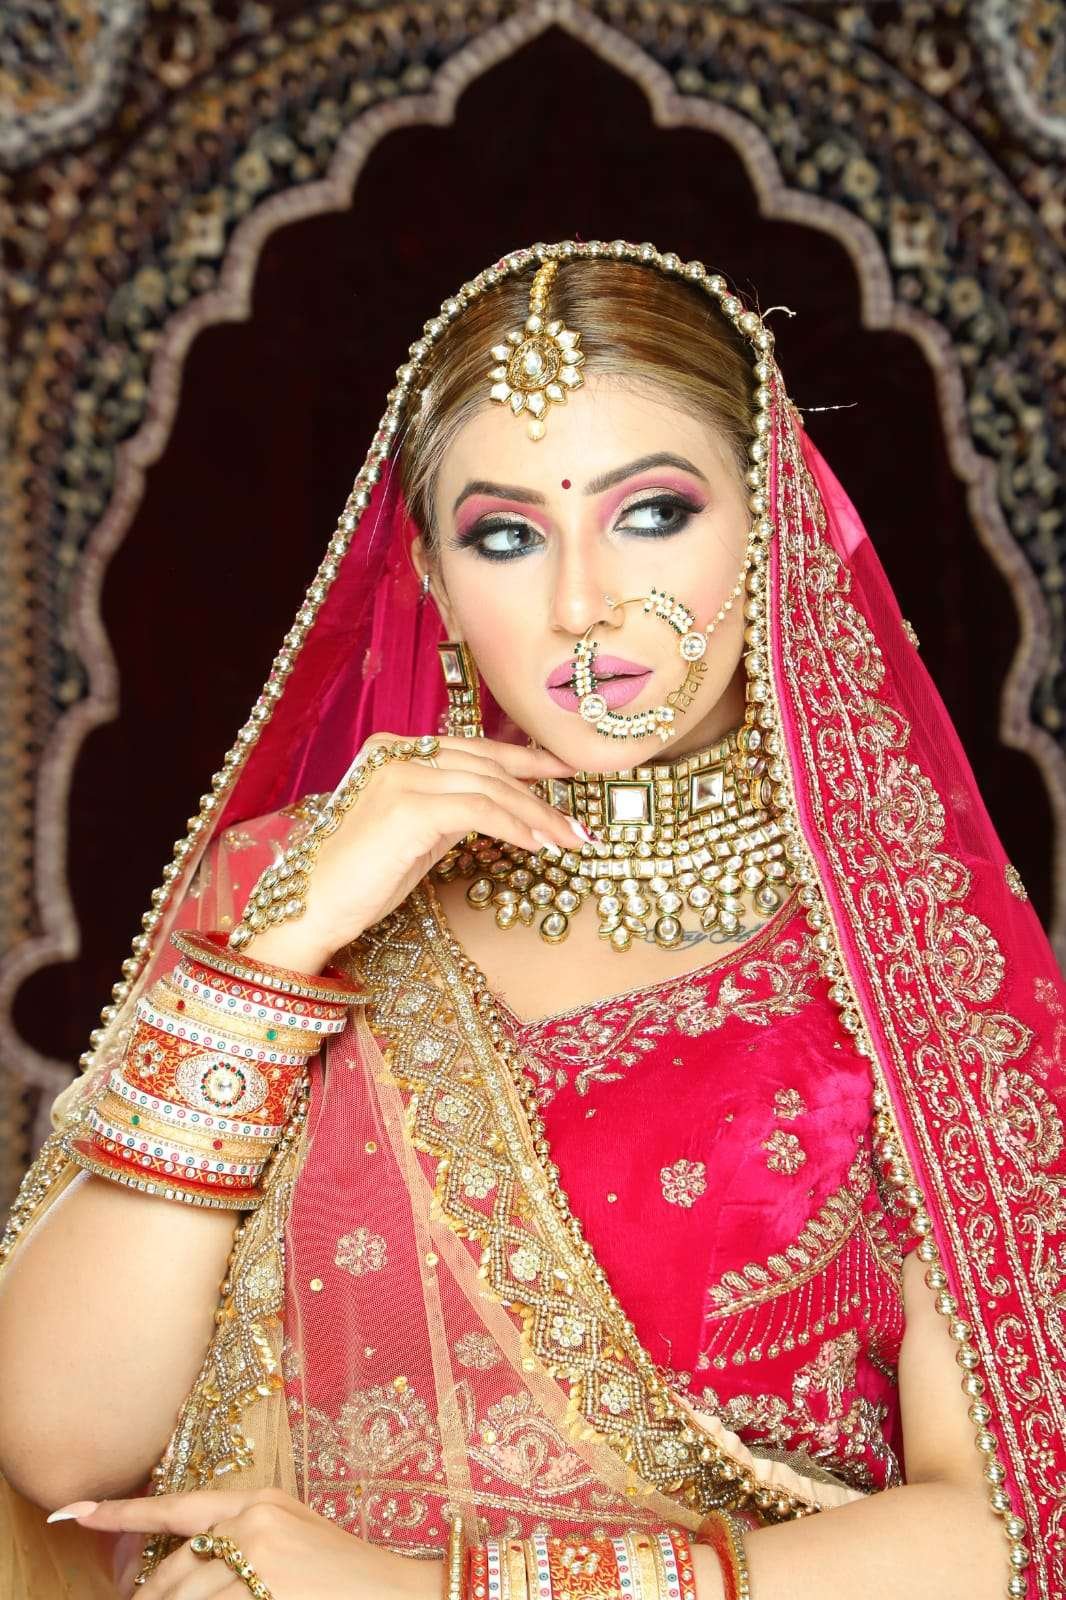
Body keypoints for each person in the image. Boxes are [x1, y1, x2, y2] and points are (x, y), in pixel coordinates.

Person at [0, 239, 1059, 1600]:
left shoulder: (908, 962)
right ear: (436, 586)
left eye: (652, 513)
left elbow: (1003, 1530)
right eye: (505, 536)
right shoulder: (286, 892)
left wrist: (434, 1592)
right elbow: (62, 1443)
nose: (579, 606)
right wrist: (276, 956)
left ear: (774, 530)